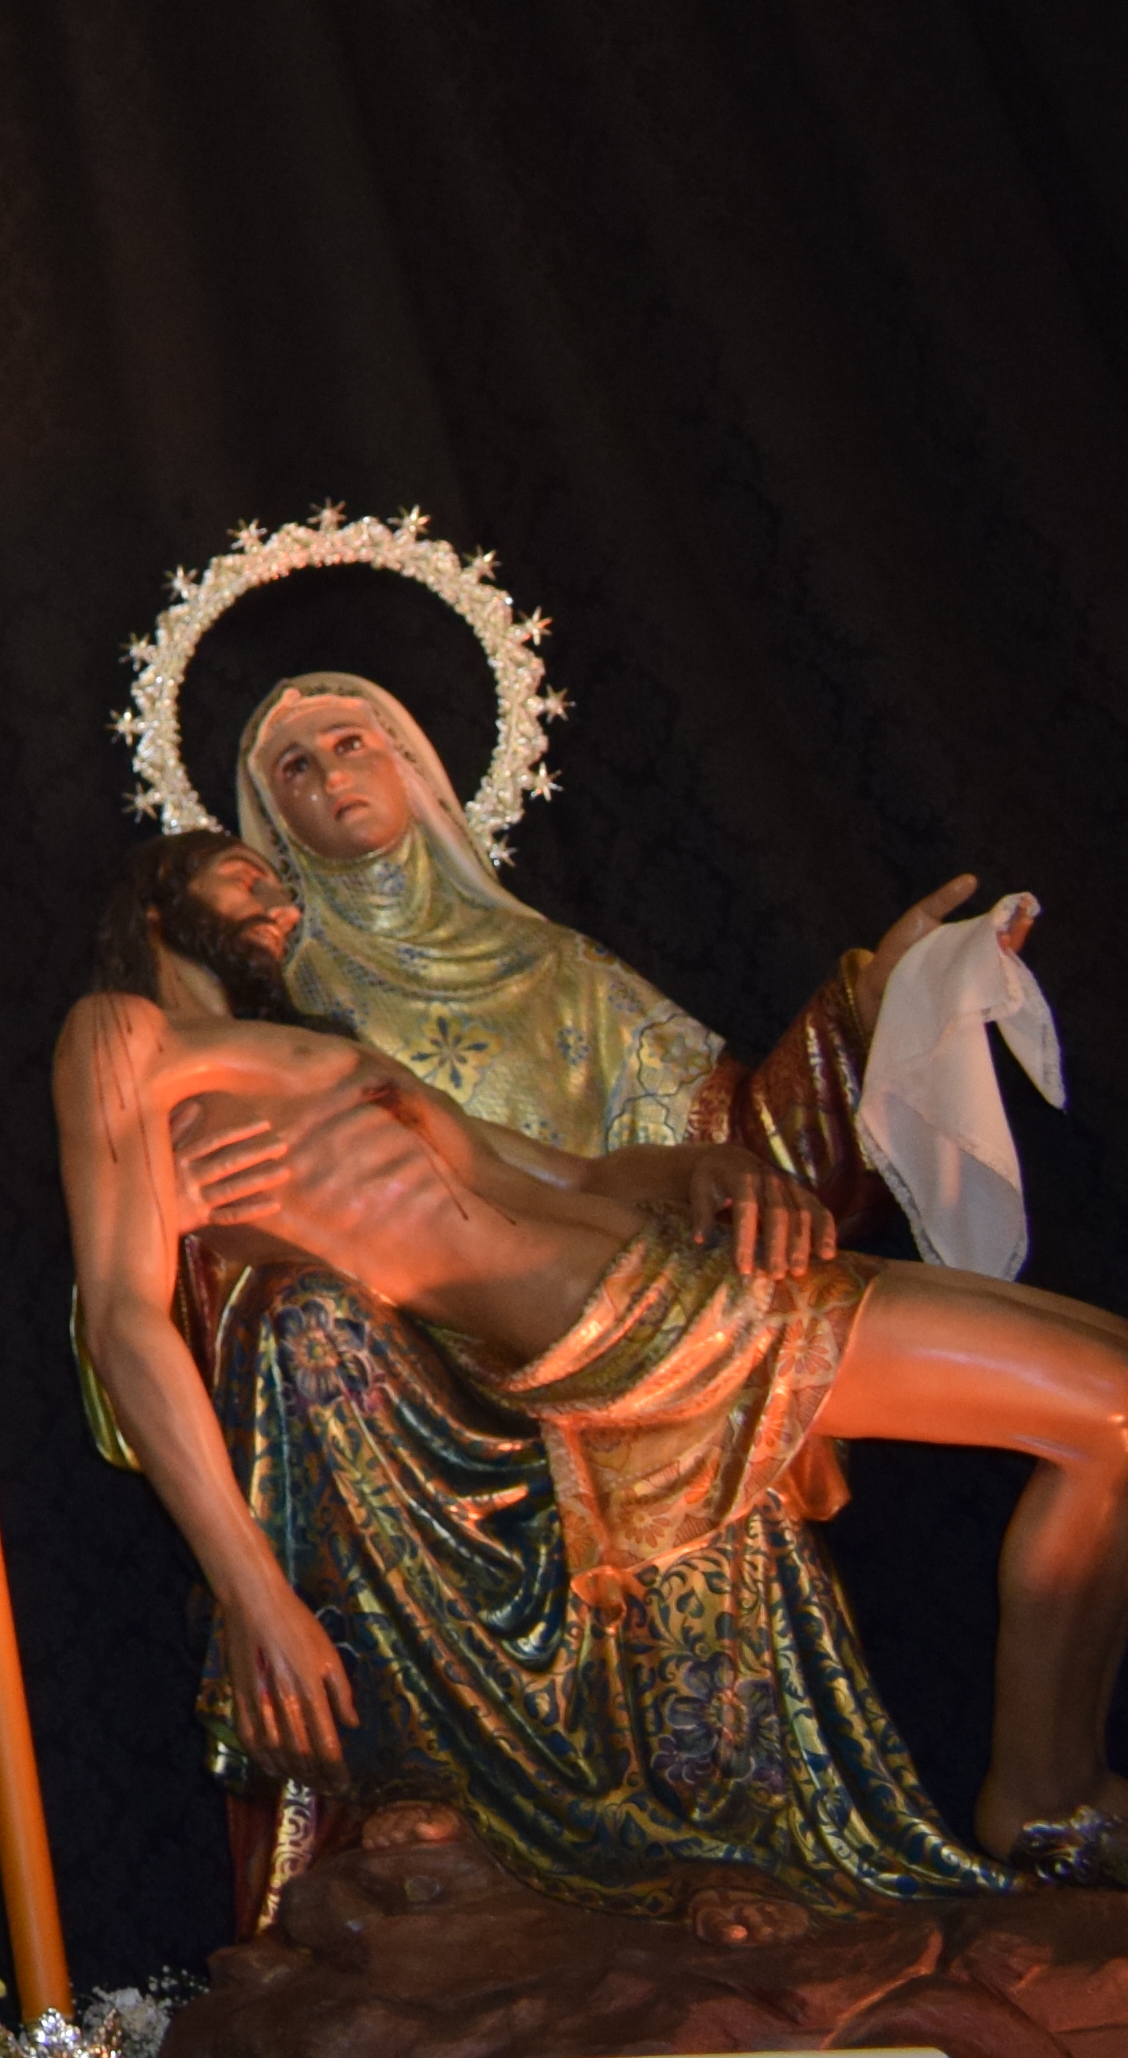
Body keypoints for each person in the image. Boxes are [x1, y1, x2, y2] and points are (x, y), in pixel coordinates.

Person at [65, 828, 1128, 1878]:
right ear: (159, 902)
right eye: (240, 871)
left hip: (678, 1275)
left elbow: (578, 1176)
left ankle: (1057, 1778)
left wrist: (712, 1168)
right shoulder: (127, 1034)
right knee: (1120, 1406)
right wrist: (254, 1588)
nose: (278, 895)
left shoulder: (347, 1060)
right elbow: (126, 1315)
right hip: (634, 1332)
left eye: (280, 877)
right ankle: (1049, 1792)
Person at [160, 669, 1042, 1908]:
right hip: (414, 1395)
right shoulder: (273, 997)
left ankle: (737, 1868)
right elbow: (196, 1220)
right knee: (314, 1329)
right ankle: (433, 1818)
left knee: (700, 1382)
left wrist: (867, 1011)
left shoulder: (555, 968)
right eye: (290, 770)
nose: (328, 777)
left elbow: (718, 1157)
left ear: (415, 763)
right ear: (264, 825)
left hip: (610, 1313)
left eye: (349, 742)